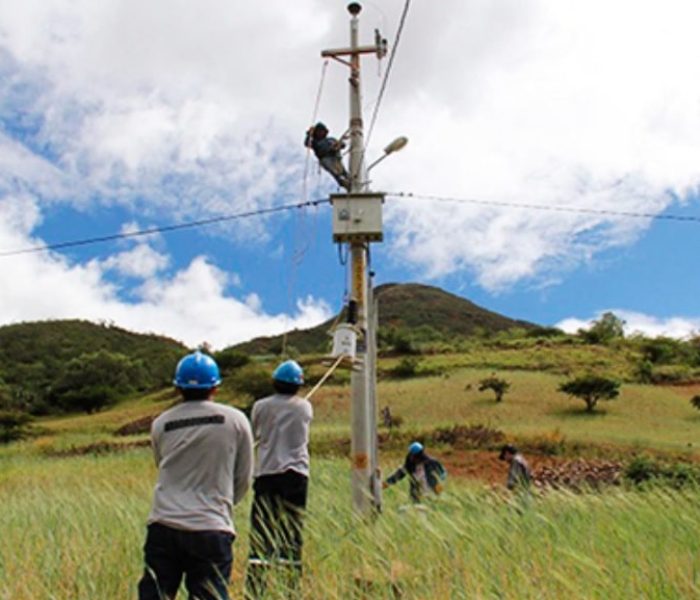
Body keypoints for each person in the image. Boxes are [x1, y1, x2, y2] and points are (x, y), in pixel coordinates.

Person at [137, 351, 254, 600]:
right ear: (216, 387)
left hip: (163, 525)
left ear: (178, 387)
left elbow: (162, 464)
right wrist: (221, 503)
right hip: (211, 528)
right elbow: (243, 477)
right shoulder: (236, 420)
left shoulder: (161, 423)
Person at [245, 360, 312, 599]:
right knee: (292, 534)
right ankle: (291, 589)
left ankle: (255, 589)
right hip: (296, 477)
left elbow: (257, 432)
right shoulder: (305, 407)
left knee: (262, 534)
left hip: (267, 475)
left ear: (275, 382)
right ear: (298, 385)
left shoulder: (259, 407)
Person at [304, 122, 351, 190]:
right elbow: (307, 143)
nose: (320, 132)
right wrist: (309, 134)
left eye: (322, 131)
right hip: (325, 158)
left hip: (335, 157)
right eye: (318, 131)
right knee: (335, 172)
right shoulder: (315, 142)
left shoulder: (331, 139)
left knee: (343, 171)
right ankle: (343, 182)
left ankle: (350, 181)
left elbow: (342, 145)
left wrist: (339, 145)